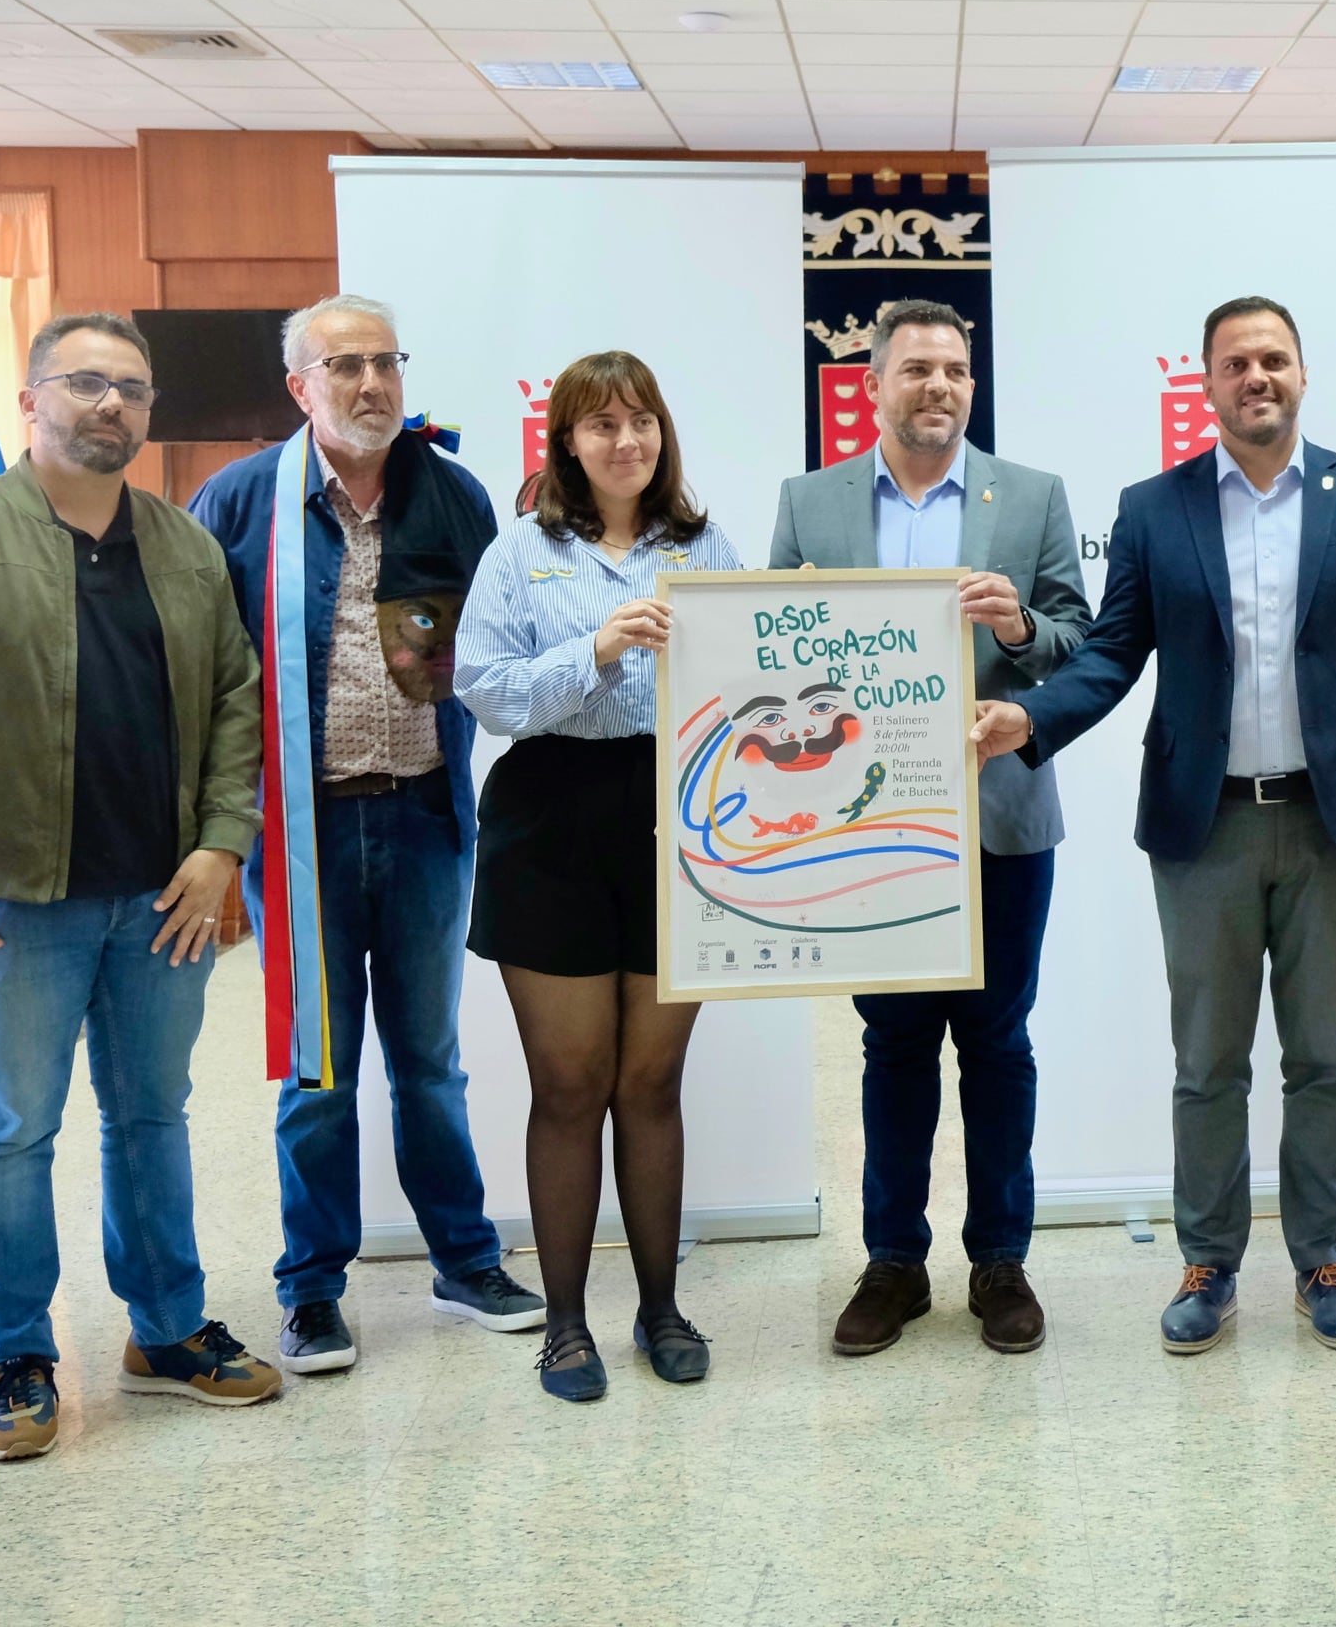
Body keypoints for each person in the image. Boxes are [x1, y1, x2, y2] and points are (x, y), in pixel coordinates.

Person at [0, 311, 275, 1461]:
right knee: (12, 1126)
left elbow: (239, 698)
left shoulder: (184, 548)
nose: (111, 405)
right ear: (32, 398)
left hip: (163, 901)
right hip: (11, 902)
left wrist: (222, 841)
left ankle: (168, 1330)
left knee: (153, 1120)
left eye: (131, 388)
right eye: (85, 383)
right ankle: (17, 1354)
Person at [975, 296, 1336, 1355]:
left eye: (1274, 358)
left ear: (1303, 372)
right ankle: (1209, 1259)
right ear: (1207, 383)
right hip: (1206, 829)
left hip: (1335, 826)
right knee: (1208, 1061)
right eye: (1236, 363)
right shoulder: (1155, 506)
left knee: (1325, 1055)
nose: (1257, 377)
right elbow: (1109, 653)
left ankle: (1323, 1257)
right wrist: (1028, 717)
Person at [192, 295, 544, 1379]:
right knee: (318, 1072)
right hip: (302, 833)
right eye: (344, 365)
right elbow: (201, 669)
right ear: (299, 386)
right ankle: (311, 1290)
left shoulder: (451, 493)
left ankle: (464, 1260)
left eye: (386, 361)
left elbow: (509, 641)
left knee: (430, 1064)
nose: (371, 383)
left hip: (428, 818)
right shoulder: (242, 500)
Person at [768, 300, 1093, 1357]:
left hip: (999, 819)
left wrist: (1016, 630)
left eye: (955, 369)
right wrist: (796, 626)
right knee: (894, 1044)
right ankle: (894, 1262)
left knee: (998, 1044)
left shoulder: (1031, 495)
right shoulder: (810, 504)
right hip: (869, 825)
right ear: (872, 383)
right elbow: (769, 655)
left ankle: (1001, 1259)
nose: (939, 387)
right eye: (916, 369)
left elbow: (1077, 645)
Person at [455, 351, 743, 1401]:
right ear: (567, 441)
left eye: (642, 423)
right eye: (602, 425)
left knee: (652, 1082)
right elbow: (486, 692)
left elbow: (750, 673)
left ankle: (661, 1307)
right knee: (571, 1086)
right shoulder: (519, 551)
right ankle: (565, 1323)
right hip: (550, 820)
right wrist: (601, 647)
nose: (626, 441)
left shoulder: (707, 545)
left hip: (679, 814)